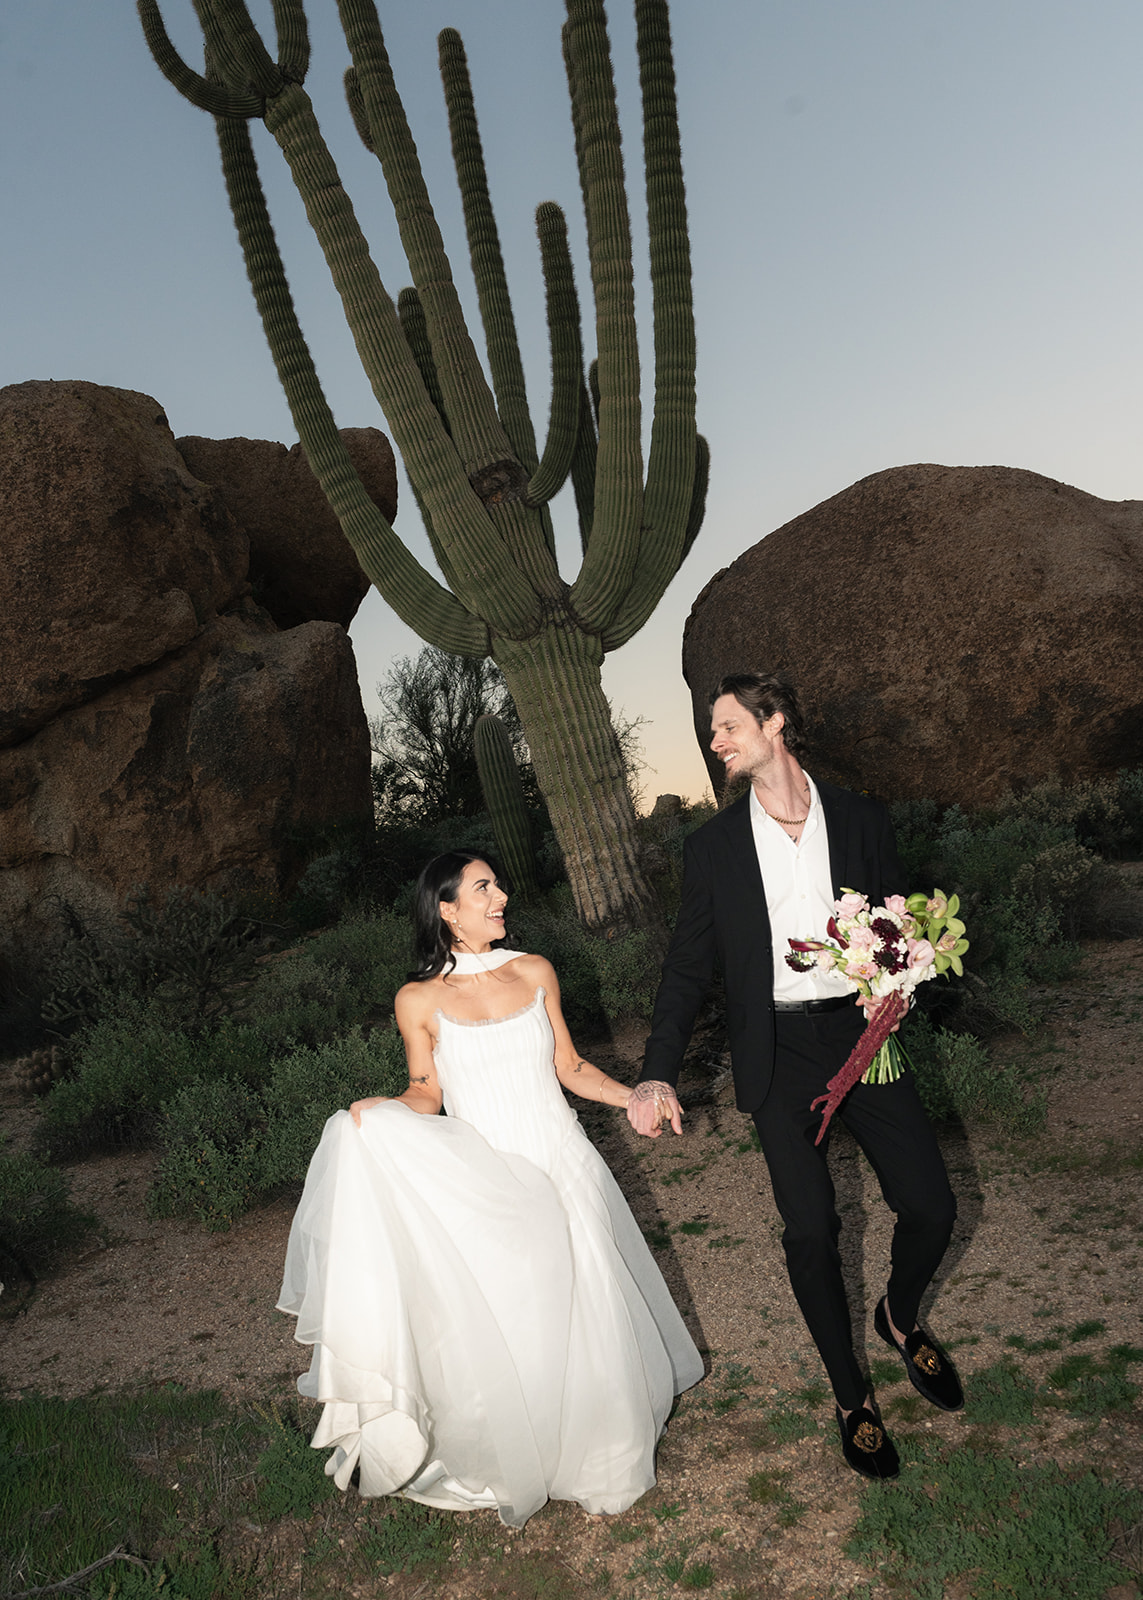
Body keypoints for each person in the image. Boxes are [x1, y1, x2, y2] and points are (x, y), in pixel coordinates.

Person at [278, 850, 703, 1529]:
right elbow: (427, 1092)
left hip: (560, 1158)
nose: (501, 895)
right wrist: (379, 1111)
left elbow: (569, 1065)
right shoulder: (417, 999)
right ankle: (527, 1439)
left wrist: (634, 1098)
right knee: (520, 1312)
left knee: (587, 1297)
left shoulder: (533, 970)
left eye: (498, 884)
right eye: (483, 888)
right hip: (485, 1173)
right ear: (446, 909)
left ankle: (599, 1445)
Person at [627, 673, 962, 1480]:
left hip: (862, 1036)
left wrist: (902, 974)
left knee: (931, 1204)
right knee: (810, 1230)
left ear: (775, 724)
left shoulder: (859, 816)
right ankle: (851, 1396)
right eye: (712, 730)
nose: (716, 740)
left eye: (728, 725)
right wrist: (654, 1074)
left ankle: (897, 1314)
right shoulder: (710, 849)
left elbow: (896, 916)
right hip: (775, 1053)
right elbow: (685, 969)